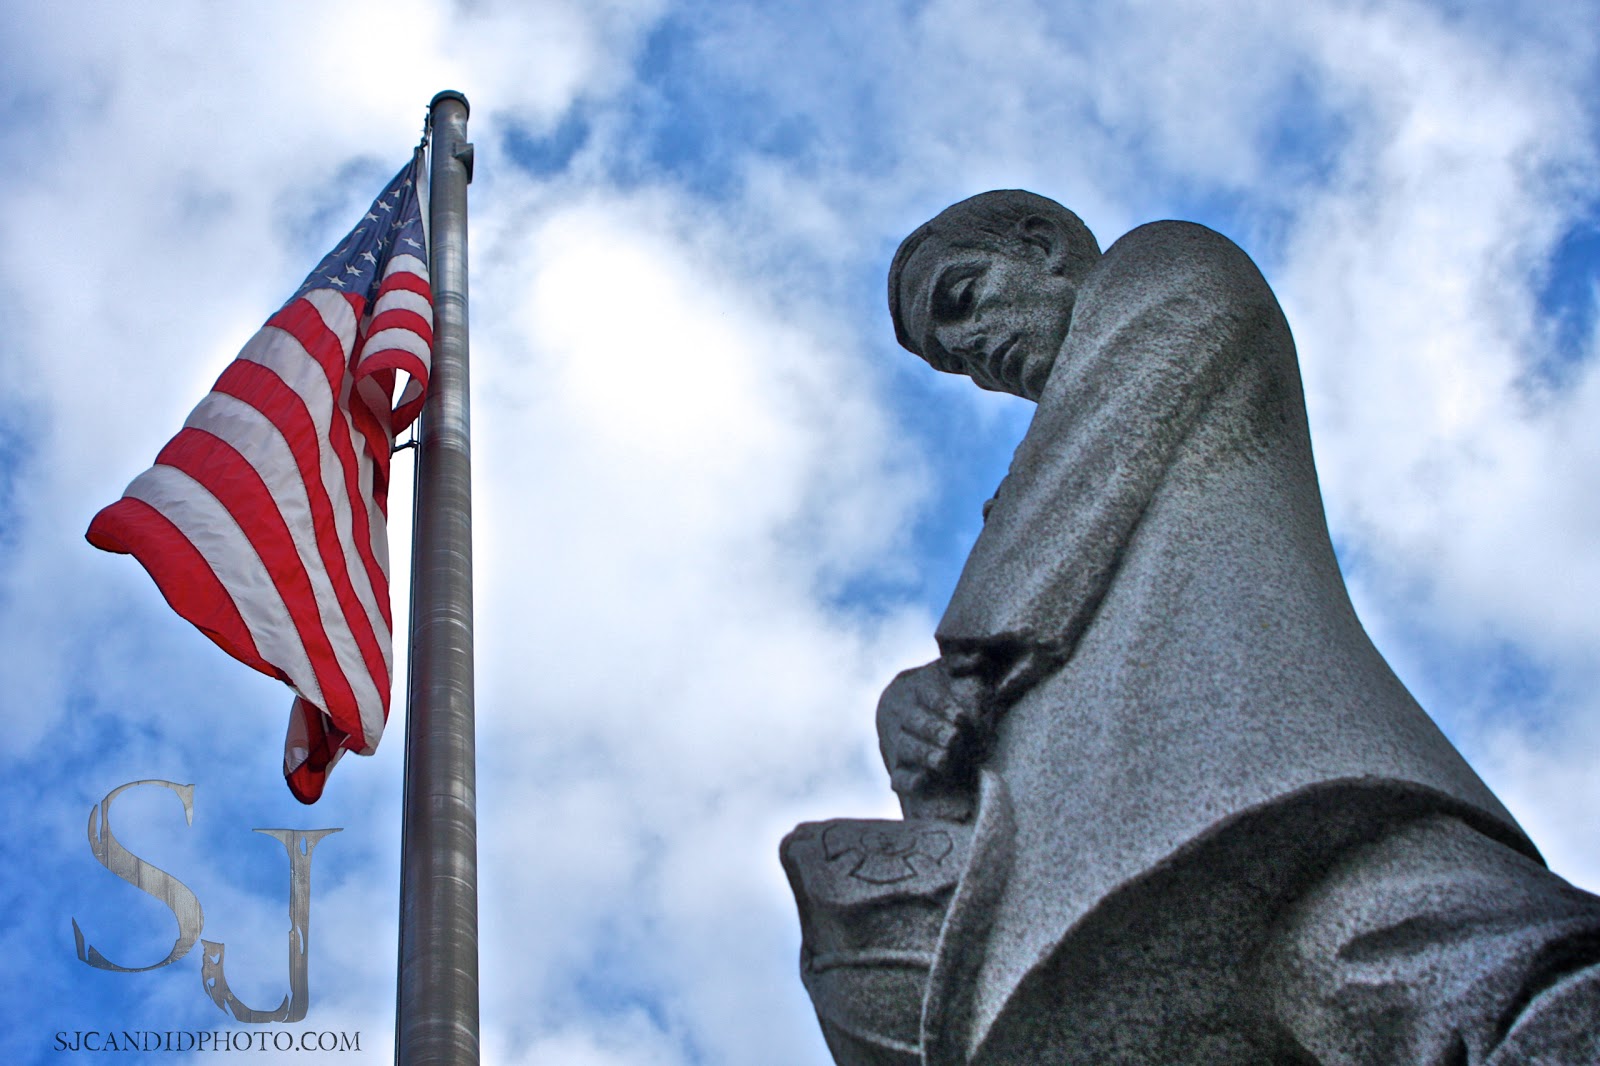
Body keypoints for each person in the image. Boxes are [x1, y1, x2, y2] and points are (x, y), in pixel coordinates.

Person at [853, 190, 1600, 1063]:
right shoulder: (1024, 513)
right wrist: (914, 722)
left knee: (1480, 977)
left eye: (963, 300)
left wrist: (959, 669)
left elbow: (1063, 510)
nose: (978, 356)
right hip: (1105, 860)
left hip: (1285, 776)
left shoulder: (1166, 272)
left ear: (1040, 245)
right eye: (957, 364)